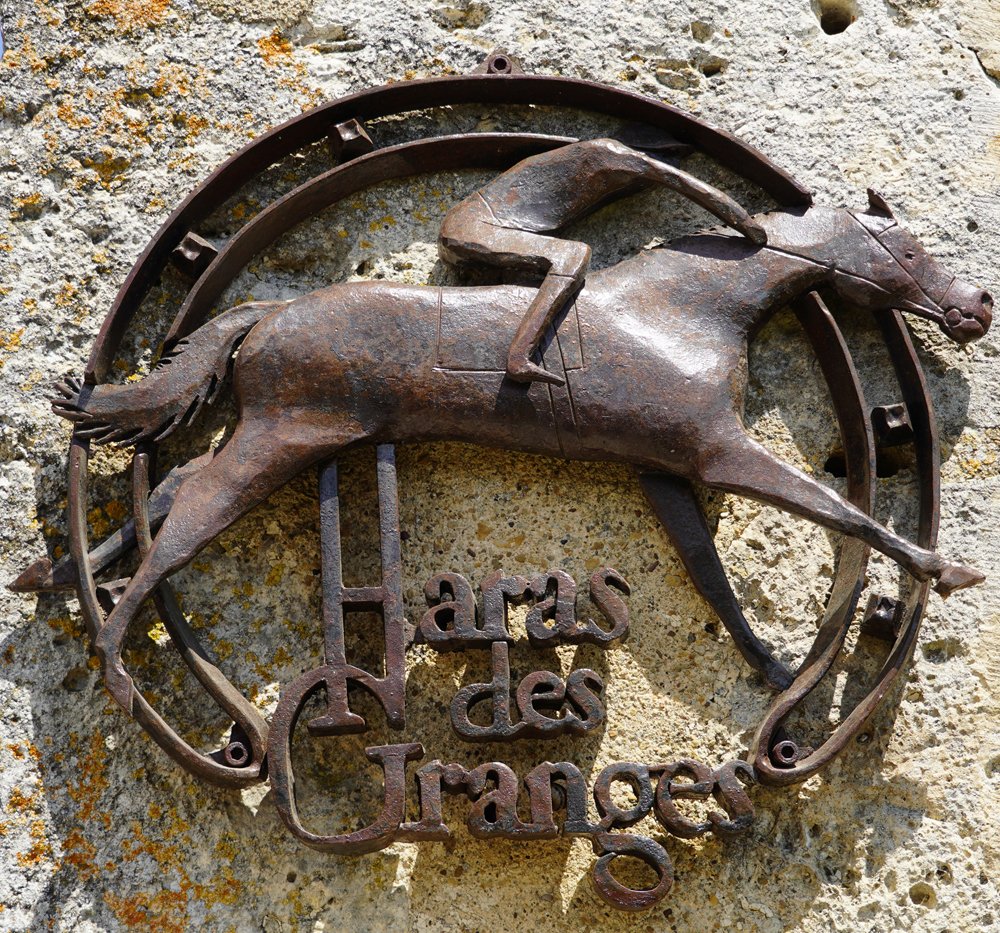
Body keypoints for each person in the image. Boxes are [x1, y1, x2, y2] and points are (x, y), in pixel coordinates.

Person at [438, 134, 768, 385]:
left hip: (484, 228)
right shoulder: (613, 154)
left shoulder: (588, 161)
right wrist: (747, 225)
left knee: (544, 277)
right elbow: (690, 186)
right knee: (573, 255)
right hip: (474, 228)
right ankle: (519, 357)